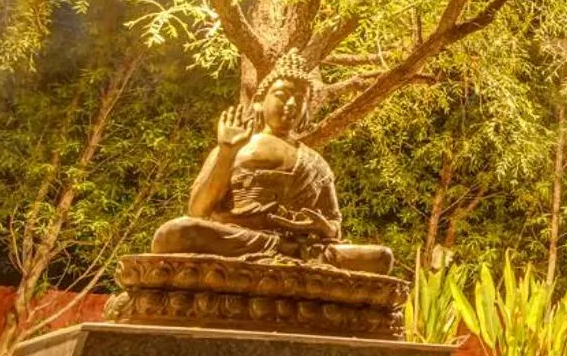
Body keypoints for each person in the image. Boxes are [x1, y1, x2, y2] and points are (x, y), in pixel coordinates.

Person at [149, 52, 393, 273]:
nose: (291, 104)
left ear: (307, 108)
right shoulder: (235, 147)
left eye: (300, 99)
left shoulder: (316, 162)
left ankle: (286, 258)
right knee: (175, 234)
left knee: (381, 258)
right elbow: (198, 210)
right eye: (282, 95)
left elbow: (334, 224)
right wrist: (226, 152)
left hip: (303, 248)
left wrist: (324, 228)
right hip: (241, 239)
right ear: (259, 100)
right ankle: (287, 260)